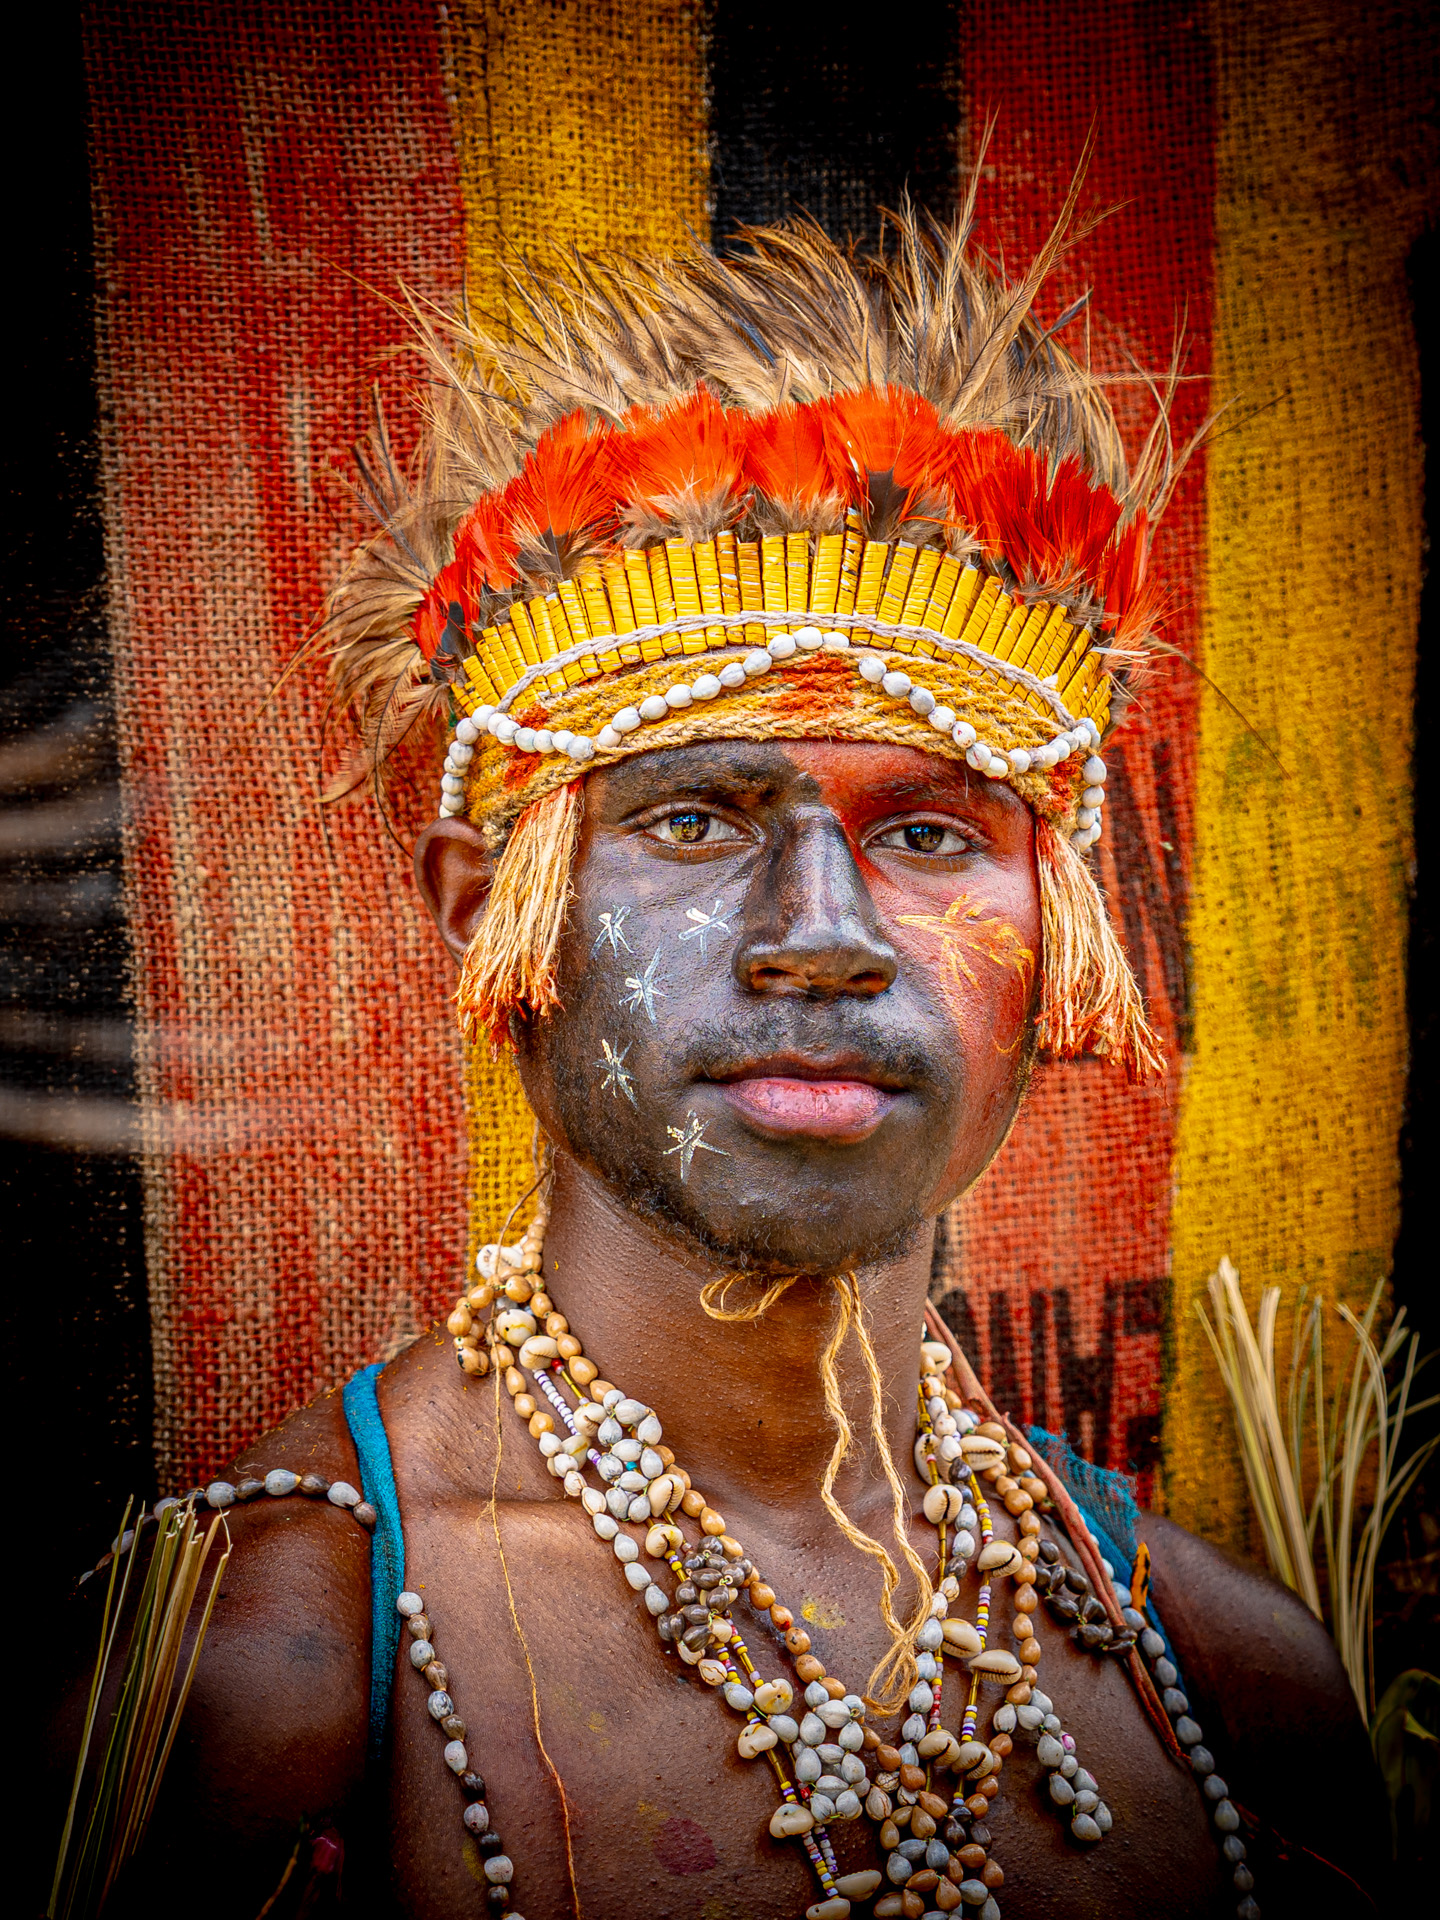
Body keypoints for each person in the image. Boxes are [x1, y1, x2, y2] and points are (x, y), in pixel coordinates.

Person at [47, 206, 1379, 1919]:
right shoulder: (259, 1686)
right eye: (693, 818)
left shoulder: (1232, 1678)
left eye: (931, 832)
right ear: (490, 908)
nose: (821, 933)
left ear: (1062, 926)